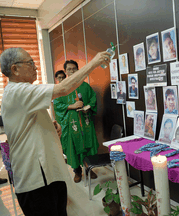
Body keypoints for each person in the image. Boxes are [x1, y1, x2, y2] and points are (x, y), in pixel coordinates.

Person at [0, 47, 110, 215]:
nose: (35, 66)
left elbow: (27, 125)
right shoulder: (17, 91)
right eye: (30, 62)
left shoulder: (20, 91)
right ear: (14, 68)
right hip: (36, 181)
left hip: (49, 175)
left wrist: (51, 127)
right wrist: (95, 62)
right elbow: (63, 90)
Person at [53, 59, 105, 183]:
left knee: (88, 144)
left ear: (78, 70)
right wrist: (72, 106)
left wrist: (88, 108)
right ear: (65, 71)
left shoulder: (85, 85)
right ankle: (77, 171)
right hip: (71, 124)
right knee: (73, 147)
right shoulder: (61, 87)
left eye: (74, 69)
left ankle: (89, 168)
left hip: (85, 122)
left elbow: (93, 99)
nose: (72, 71)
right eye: (69, 69)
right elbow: (57, 105)